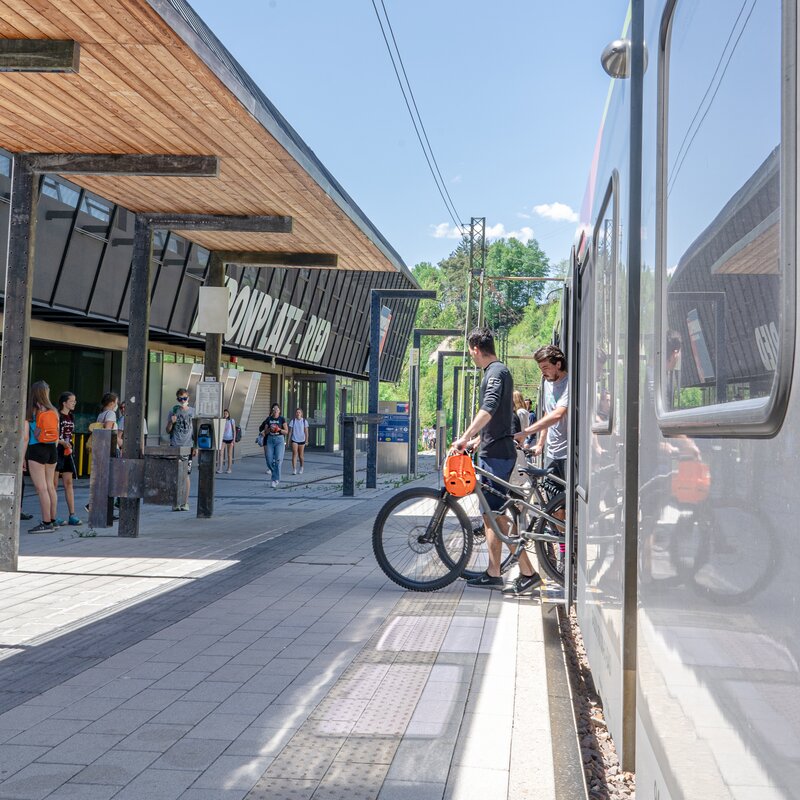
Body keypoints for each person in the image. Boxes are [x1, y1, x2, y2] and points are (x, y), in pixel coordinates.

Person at [452, 327, 542, 596]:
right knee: (492, 516)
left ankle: (526, 573)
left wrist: (466, 437)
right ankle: (495, 572)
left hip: (499, 455)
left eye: (471, 352)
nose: (471, 356)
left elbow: (489, 407)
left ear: (476, 349)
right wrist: (481, 439)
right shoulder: (496, 372)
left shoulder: (496, 372)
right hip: (494, 449)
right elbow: (498, 417)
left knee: (496, 516)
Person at [515, 345, 569, 481]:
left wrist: (525, 432)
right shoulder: (547, 383)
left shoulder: (570, 384)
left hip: (568, 453)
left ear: (558, 364)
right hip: (552, 452)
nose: (542, 373)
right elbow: (547, 414)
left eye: (545, 368)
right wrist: (540, 444)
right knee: (552, 497)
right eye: (540, 369)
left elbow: (557, 414)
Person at [25, 380, 60, 533]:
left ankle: (46, 524)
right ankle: (53, 520)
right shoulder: (53, 410)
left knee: (41, 488)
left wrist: (21, 459)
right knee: (50, 486)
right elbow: (56, 435)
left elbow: (25, 437)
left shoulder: (31, 411)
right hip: (52, 449)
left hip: (36, 449)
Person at [53, 392, 82, 527]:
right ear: (64, 403)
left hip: (67, 451)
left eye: (75, 401)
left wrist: (68, 445)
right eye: (72, 401)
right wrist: (62, 443)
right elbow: (54, 435)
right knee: (53, 484)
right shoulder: (57, 416)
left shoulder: (71, 416)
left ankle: (72, 514)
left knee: (68, 483)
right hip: (57, 450)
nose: (74, 403)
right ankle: (52, 516)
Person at [165, 388, 195, 511]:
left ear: (188, 398)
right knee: (175, 475)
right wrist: (171, 423)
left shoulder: (193, 412)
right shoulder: (173, 410)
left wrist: (196, 447)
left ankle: (185, 502)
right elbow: (167, 430)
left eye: (184, 398)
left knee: (186, 475)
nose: (182, 401)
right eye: (180, 399)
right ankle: (175, 502)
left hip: (188, 446)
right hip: (175, 446)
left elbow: (197, 430)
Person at [260, 403, 288, 488]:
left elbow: (286, 431)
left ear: (279, 411)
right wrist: (270, 429)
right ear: (272, 411)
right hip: (270, 440)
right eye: (274, 409)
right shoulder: (268, 419)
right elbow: (265, 432)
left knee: (278, 460)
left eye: (277, 409)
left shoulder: (282, 419)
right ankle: (275, 473)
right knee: (269, 460)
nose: (276, 410)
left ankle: (275, 479)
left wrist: (278, 429)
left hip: (279, 440)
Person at [288, 407, 309, 475]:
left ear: (301, 414)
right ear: (295, 414)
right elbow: (290, 432)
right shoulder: (293, 421)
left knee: (301, 455)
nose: (298, 413)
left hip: (302, 440)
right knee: (294, 453)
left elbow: (306, 432)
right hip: (294, 440)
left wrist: (306, 440)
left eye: (299, 412)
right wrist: (288, 440)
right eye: (297, 412)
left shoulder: (304, 421)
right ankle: (294, 469)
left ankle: (301, 467)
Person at [217, 409, 236, 474]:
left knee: (229, 455)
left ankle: (229, 468)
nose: (225, 415)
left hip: (230, 439)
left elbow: (234, 430)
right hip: (223, 439)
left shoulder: (231, 420)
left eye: (226, 413)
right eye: (224, 413)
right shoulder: (222, 421)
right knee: (220, 453)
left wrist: (234, 439)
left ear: (228, 414)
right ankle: (220, 468)